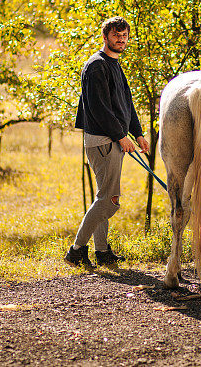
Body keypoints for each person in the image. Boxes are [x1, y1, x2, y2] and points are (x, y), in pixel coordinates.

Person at [65, 16, 149, 267]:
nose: (121, 40)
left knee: (104, 197)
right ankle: (76, 249)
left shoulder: (114, 64)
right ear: (105, 36)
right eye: (116, 35)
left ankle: (101, 252)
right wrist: (121, 136)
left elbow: (126, 104)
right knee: (110, 201)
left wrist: (139, 133)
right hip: (102, 142)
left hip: (113, 139)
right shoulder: (96, 66)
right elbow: (99, 109)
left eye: (124, 36)